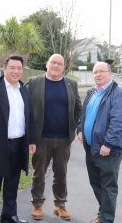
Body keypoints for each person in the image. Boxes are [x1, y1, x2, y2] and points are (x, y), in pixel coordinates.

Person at [0, 56, 36, 223]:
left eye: (19, 68)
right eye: (12, 67)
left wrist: (31, 141)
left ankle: (9, 215)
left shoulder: (24, 90)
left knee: (12, 183)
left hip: (19, 144)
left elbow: (30, 118)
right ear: (4, 69)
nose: (16, 71)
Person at [27, 54, 82, 221]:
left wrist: (73, 126)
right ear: (47, 64)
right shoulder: (34, 82)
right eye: (53, 63)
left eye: (59, 64)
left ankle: (60, 205)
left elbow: (78, 107)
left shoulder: (71, 84)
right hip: (42, 137)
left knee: (61, 173)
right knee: (39, 172)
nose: (56, 66)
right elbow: (25, 108)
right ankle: (37, 204)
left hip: (64, 138)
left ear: (63, 67)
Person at [77, 62, 122, 223]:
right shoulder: (92, 93)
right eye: (95, 72)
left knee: (108, 187)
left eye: (101, 72)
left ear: (110, 73)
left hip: (108, 149)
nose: (98, 75)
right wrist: (79, 130)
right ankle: (103, 215)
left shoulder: (119, 94)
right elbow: (84, 115)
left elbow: (118, 123)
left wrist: (108, 144)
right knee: (97, 184)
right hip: (92, 148)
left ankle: (106, 219)